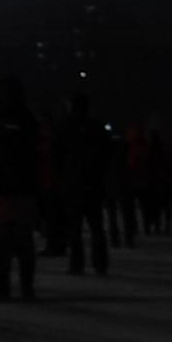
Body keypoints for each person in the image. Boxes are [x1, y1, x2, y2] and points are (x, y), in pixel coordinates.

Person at [0, 77, 43, 299]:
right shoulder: (27, 119)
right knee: (23, 238)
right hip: (24, 186)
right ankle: (27, 287)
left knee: (1, 238)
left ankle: (4, 285)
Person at [55, 91, 115, 276]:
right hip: (92, 182)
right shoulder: (96, 127)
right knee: (96, 226)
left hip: (73, 182)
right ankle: (100, 263)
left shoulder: (66, 127)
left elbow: (57, 155)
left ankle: (77, 263)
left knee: (75, 228)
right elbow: (106, 154)